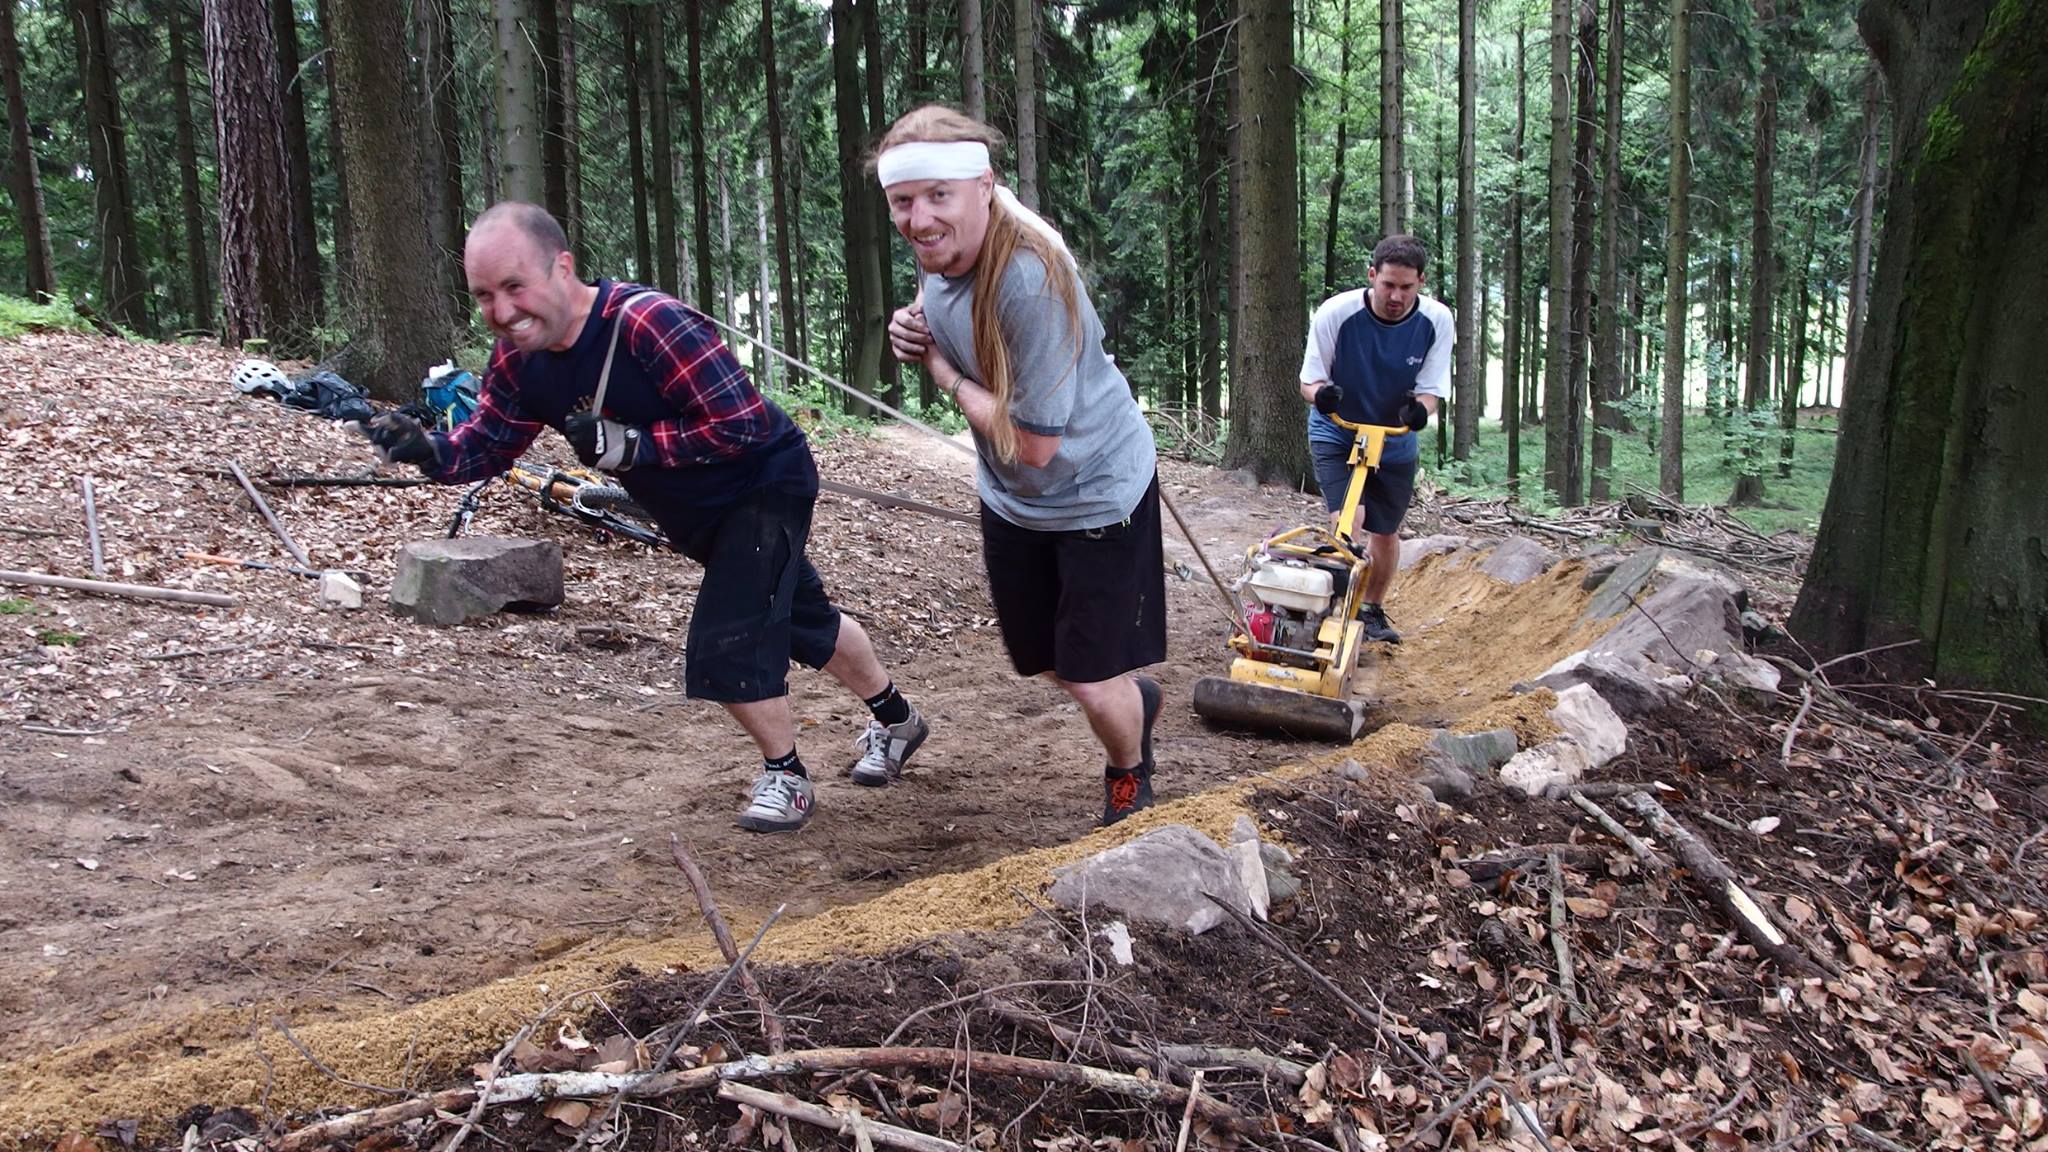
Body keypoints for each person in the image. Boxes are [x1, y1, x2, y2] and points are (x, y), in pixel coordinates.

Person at [353, 201, 928, 834]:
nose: (503, 310)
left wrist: (635, 445)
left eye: (515, 286)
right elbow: (487, 445)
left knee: (729, 635)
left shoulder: (646, 323)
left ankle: (786, 777)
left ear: (562, 267)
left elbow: (741, 423)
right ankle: (898, 721)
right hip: (691, 513)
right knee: (803, 620)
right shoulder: (518, 361)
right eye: (485, 295)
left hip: (765, 482)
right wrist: (429, 451)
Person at [877, 105, 1166, 827]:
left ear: (984, 186)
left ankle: (1128, 768)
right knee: (1044, 660)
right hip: (1014, 499)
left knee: (1092, 681)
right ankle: (1133, 700)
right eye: (903, 202)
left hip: (1095, 492)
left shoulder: (1029, 278)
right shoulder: (944, 238)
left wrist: (941, 370)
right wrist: (914, 321)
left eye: (937, 196)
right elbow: (938, 292)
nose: (919, 219)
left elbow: (1034, 443)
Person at [1299, 234, 1453, 645]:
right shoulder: (1337, 312)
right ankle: (1335, 607)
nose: (1396, 296)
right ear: (1372, 275)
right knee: (1350, 517)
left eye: (1406, 287)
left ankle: (1371, 610)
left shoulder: (1437, 320)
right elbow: (1309, 382)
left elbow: (1432, 390)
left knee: (1385, 531)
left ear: (1421, 282)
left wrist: (1420, 411)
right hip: (1337, 429)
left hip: (1393, 437)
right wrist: (1322, 396)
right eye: (1388, 285)